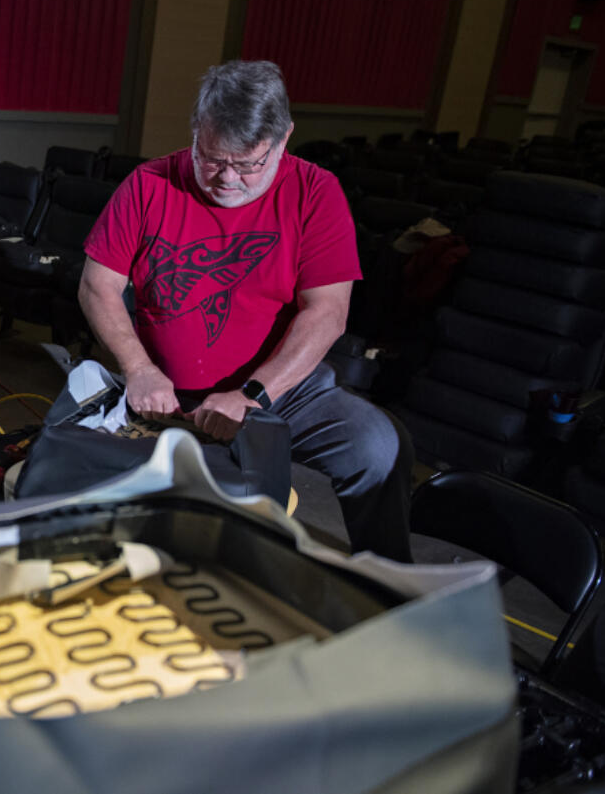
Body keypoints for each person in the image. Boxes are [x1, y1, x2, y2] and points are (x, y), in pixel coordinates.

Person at [78, 60, 412, 561]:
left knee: (377, 447)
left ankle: (389, 585)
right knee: (82, 471)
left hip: (278, 389)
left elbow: (328, 312)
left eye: (250, 164)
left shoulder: (315, 193)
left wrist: (254, 395)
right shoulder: (149, 185)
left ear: (284, 140)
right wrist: (139, 368)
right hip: (162, 391)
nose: (227, 179)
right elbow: (96, 286)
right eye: (211, 159)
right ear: (195, 132)